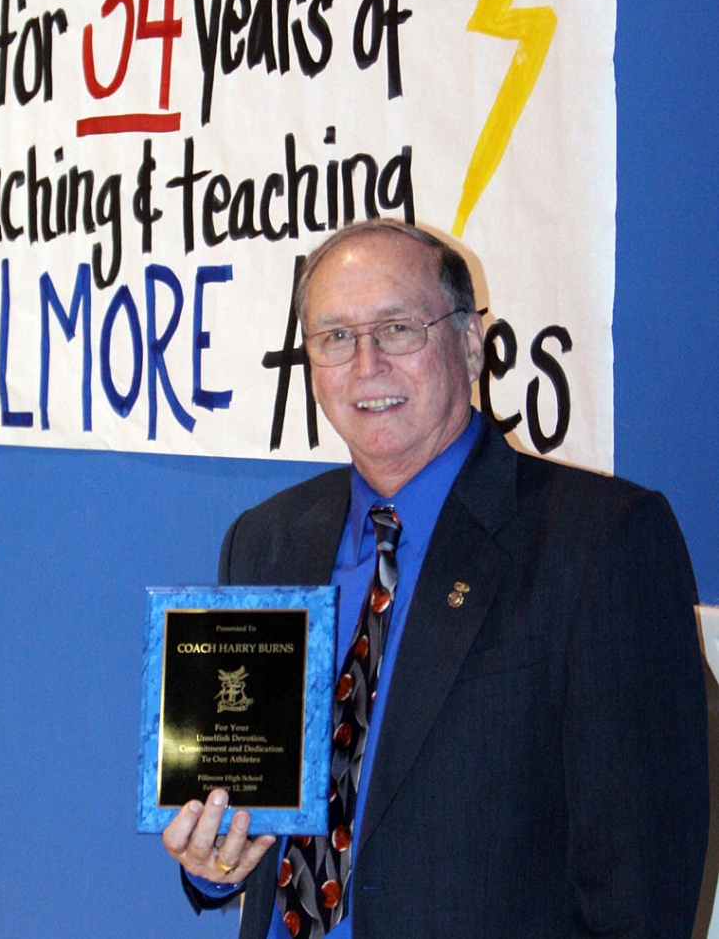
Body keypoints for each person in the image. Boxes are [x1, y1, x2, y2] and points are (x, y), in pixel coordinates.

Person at [162, 219, 710, 939]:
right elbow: (247, 803)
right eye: (334, 338)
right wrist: (214, 860)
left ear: (471, 342)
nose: (365, 366)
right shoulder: (265, 543)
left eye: (396, 329)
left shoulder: (600, 544)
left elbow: (641, 887)